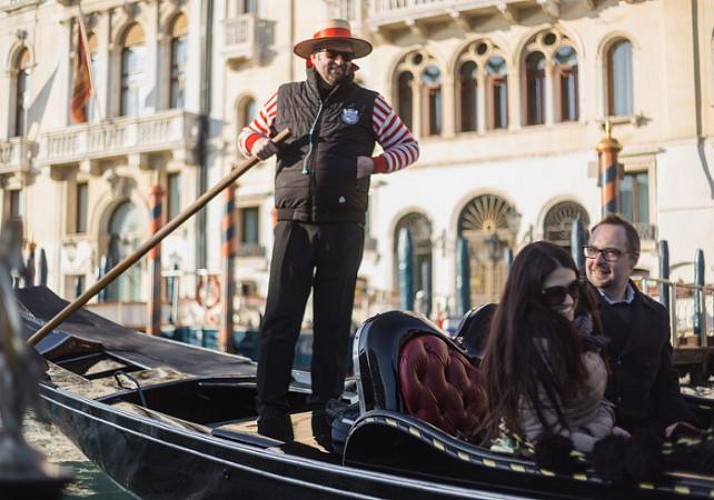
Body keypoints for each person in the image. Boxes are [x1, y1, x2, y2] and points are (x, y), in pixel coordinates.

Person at [238, 19, 419, 440]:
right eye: (331, 54)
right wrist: (258, 145)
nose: (337, 60)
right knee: (280, 316)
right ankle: (270, 406)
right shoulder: (284, 98)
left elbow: (408, 147)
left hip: (344, 224)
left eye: (344, 55)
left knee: (334, 319)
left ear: (351, 62)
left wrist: (374, 163)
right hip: (293, 220)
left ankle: (325, 405)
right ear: (313, 57)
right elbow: (249, 133)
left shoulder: (370, 103)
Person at [481, 241, 616, 458]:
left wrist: (600, 430)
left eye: (574, 288)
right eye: (556, 294)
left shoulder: (581, 331)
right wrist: (603, 440)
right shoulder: (533, 350)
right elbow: (545, 437)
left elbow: (603, 404)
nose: (569, 300)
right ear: (532, 297)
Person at [584, 213, 700, 438]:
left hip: (646, 431)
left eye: (610, 253)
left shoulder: (655, 315)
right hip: (593, 434)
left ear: (633, 260)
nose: (597, 261)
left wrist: (682, 424)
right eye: (592, 250)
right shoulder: (569, 306)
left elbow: (666, 385)